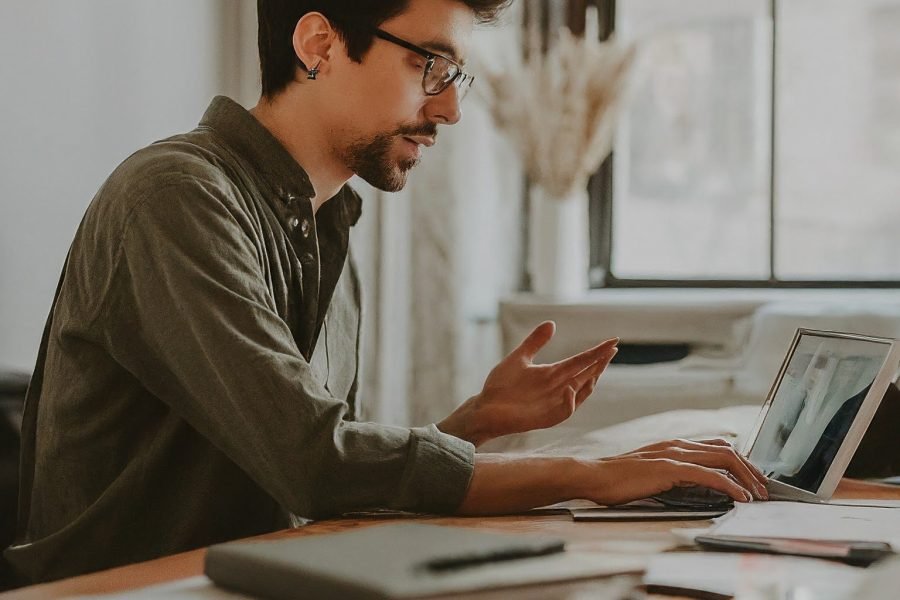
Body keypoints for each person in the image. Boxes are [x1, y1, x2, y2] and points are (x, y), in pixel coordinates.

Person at [4, 0, 768, 585]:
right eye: (431, 67)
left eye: (455, 76)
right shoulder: (172, 198)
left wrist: (472, 424)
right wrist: (593, 475)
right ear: (319, 46)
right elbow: (314, 461)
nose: (451, 109)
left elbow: (320, 475)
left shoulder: (329, 220)